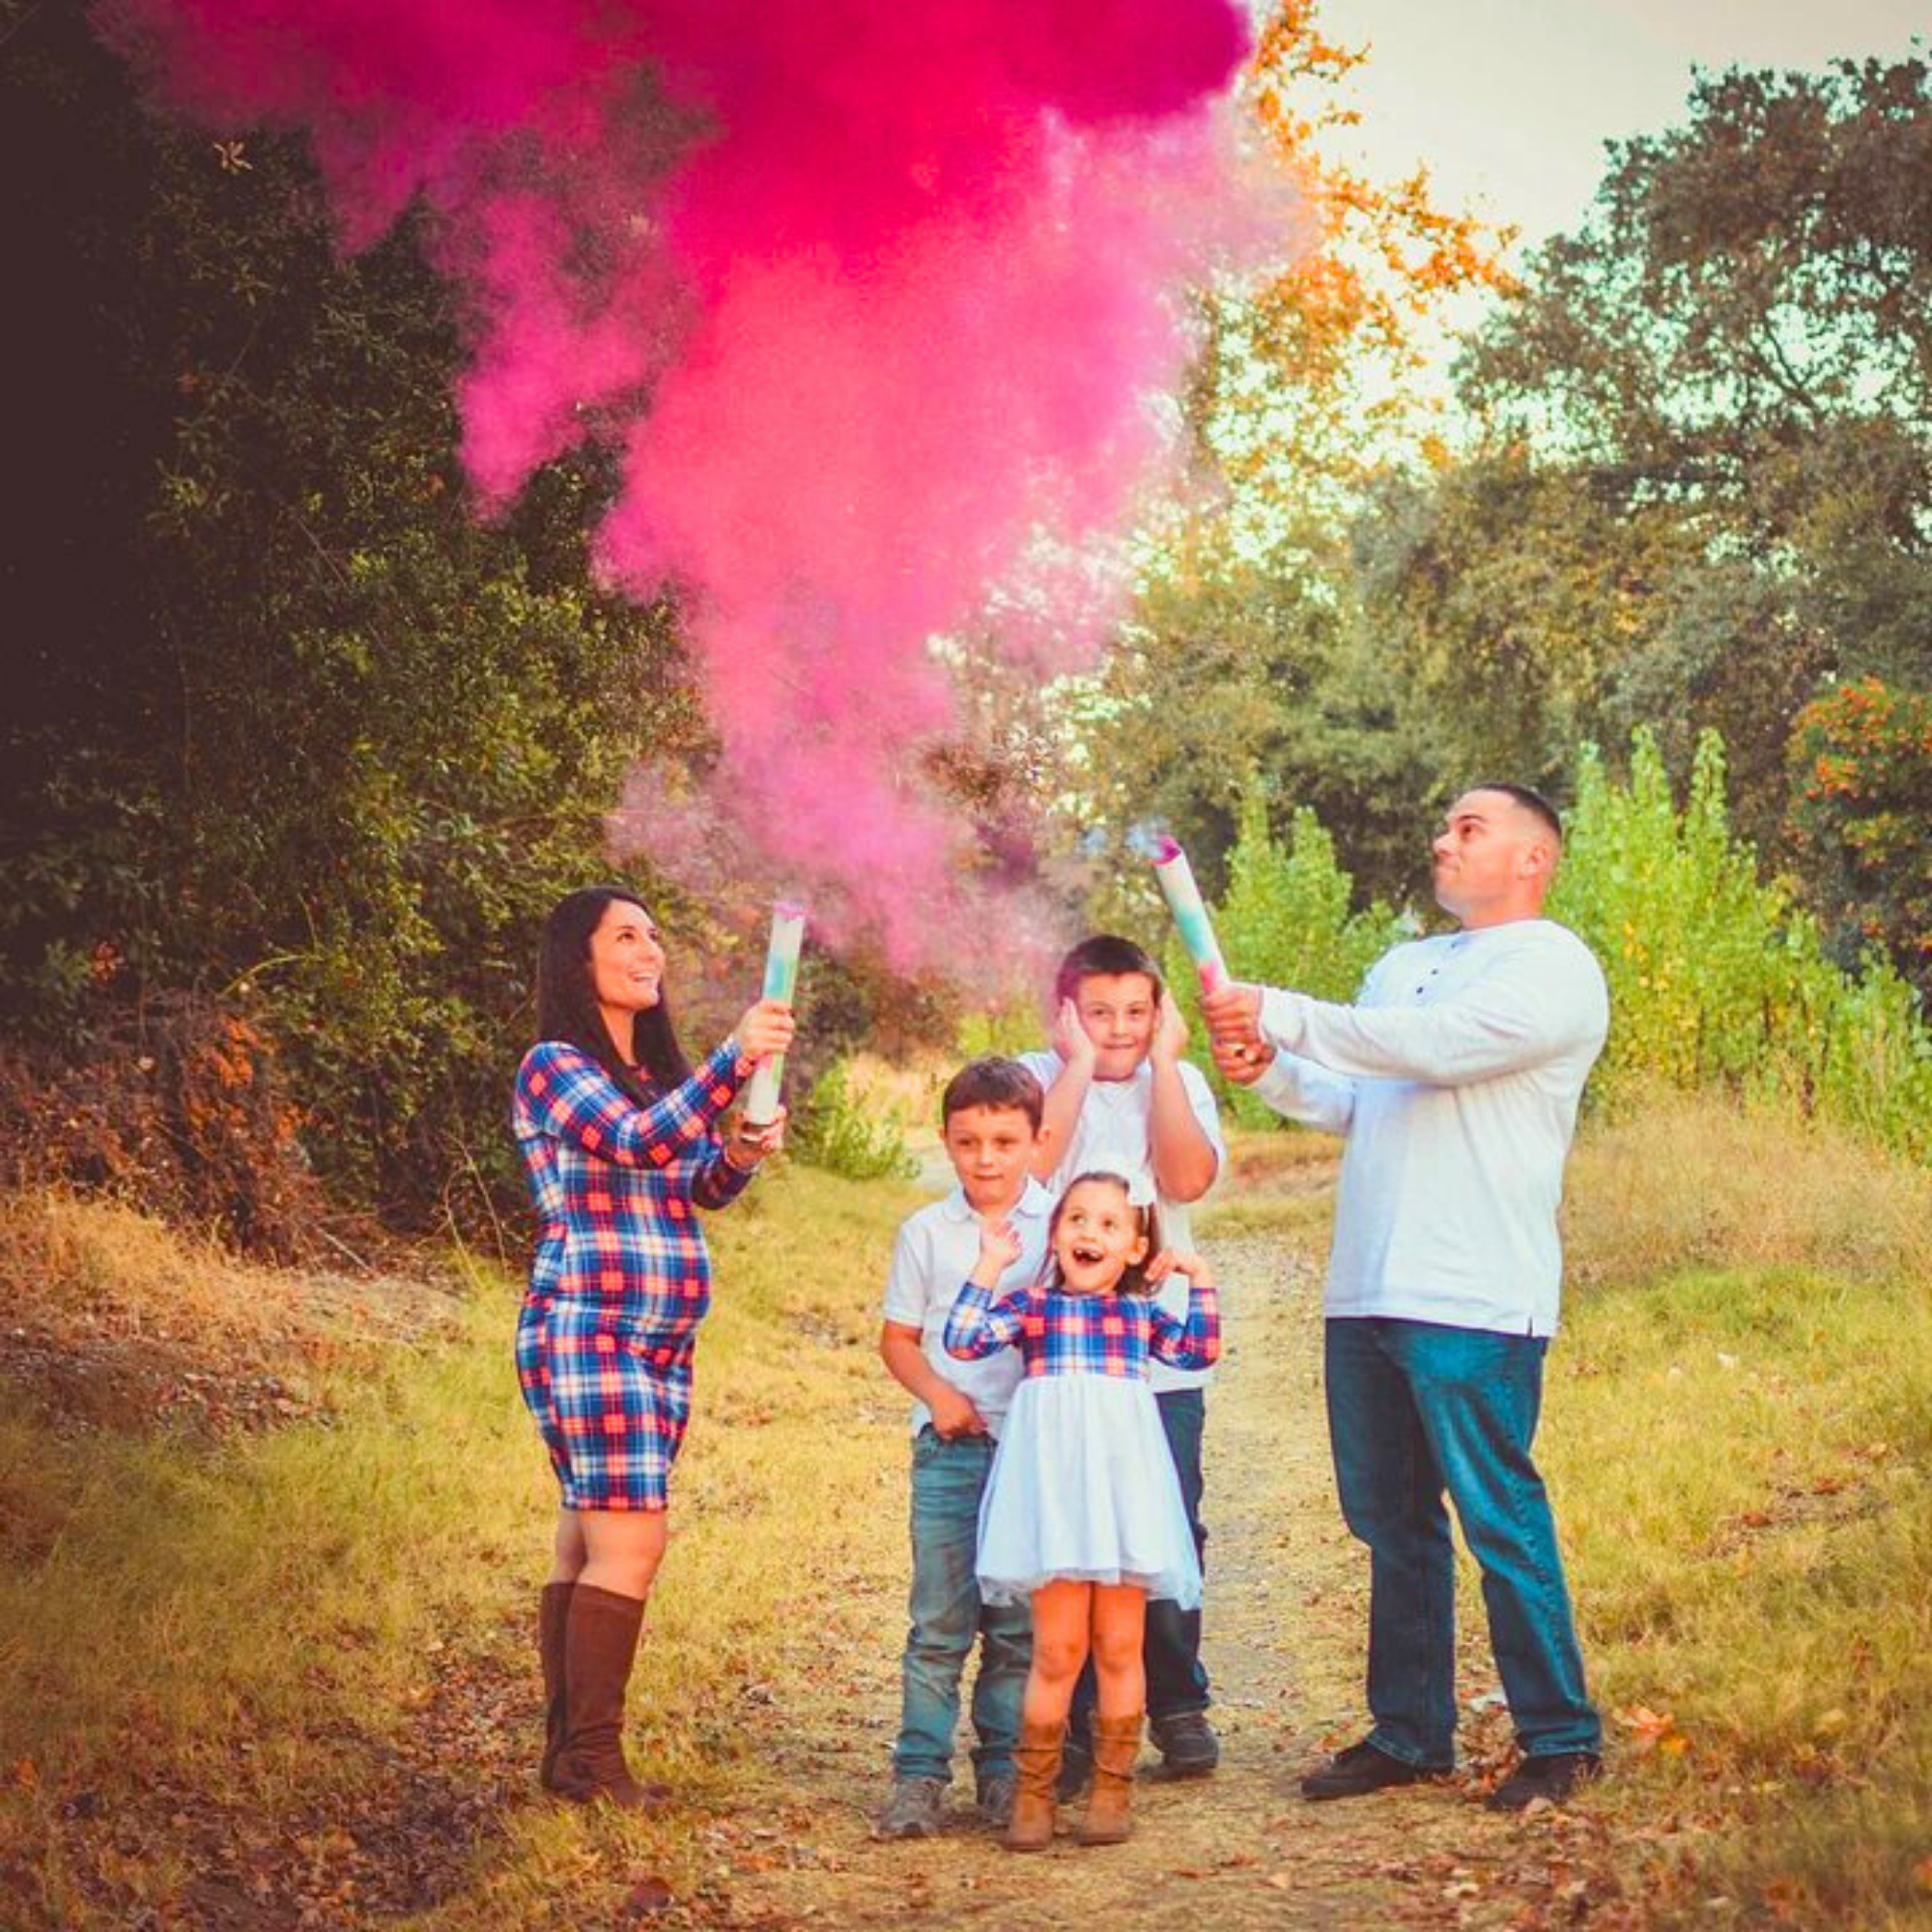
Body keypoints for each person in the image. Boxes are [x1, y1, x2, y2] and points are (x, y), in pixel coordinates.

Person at [1204, 783, 1608, 1812]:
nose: (1441, 837)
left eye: (1468, 827)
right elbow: (1361, 1094)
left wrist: (1282, 1010)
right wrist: (1272, 1069)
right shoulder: (1400, 965)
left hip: (1473, 1291)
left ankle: (1559, 1737)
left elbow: (1436, 1049)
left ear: (1532, 857)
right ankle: (1410, 1729)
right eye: (1442, 824)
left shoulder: (1553, 965)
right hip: (1366, 1284)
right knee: (1389, 1520)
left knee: (1497, 1514)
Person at [513, 885, 795, 1807]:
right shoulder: (553, 1066)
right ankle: (594, 1761)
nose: (649, 951)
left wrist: (741, 1155)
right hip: (590, 1327)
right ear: (577, 959)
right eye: (625, 936)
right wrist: (733, 1059)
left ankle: (568, 1758)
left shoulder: (655, 1079)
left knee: (587, 1544)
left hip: (659, 1344)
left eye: (654, 936)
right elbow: (634, 1146)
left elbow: (691, 1183)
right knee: (633, 1544)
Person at [945, 1173, 1220, 1851]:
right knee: (1058, 1650)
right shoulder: (1034, 1308)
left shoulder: (1141, 1316)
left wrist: (1198, 1277)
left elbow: (1199, 1351)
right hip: (1057, 1502)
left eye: (1108, 1224)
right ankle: (1034, 1797)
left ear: (1134, 1248)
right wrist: (989, 1264)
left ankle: (1110, 1790)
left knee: (1121, 1647)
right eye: (1075, 1219)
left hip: (1121, 1497)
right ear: (1056, 1234)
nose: (1088, 1233)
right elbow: (963, 1340)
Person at [1017, 936, 1226, 1786]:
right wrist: (1072, 1067)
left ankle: (1175, 1702)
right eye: (1098, 1012)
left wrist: (1168, 1067)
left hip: (1152, 1356)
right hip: (1057, 1357)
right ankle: (1065, 1723)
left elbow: (1184, 1179)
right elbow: (1034, 1169)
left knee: (1163, 1521)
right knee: (1065, 1530)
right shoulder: (1034, 1076)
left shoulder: (1176, 1080)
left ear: (1160, 1013)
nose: (1118, 1031)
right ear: (1065, 1013)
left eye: (1136, 1012)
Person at [874, 1058, 1055, 1839]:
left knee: (1016, 1625)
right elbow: (898, 1339)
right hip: (950, 1450)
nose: (987, 1158)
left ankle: (1005, 1770)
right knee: (940, 1622)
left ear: (1036, 1141)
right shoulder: (927, 1231)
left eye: (1005, 1141)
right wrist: (940, 1397)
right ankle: (918, 1774)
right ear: (945, 1142)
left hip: (1031, 1452)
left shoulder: (1058, 1225)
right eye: (969, 1141)